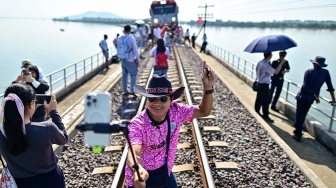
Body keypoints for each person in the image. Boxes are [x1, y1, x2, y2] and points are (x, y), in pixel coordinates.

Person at [125, 62, 215, 188]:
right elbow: (134, 153)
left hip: (164, 172)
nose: (157, 103)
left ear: (171, 99)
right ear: (146, 101)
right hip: (140, 178)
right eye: (152, 98)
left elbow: (204, 111)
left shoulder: (176, 111)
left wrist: (208, 88)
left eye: (162, 98)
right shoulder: (137, 124)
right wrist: (138, 170)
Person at [0, 83, 68, 187]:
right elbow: (63, 139)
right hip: (50, 181)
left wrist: (28, 111)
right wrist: (53, 112)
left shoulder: (1, 133)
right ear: (31, 104)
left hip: (20, 183)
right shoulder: (47, 128)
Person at [293, 56, 335, 142]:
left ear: (314, 63)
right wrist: (333, 99)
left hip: (302, 96)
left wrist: (315, 95)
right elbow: (330, 87)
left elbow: (305, 86)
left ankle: (298, 134)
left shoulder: (308, 71)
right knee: (303, 115)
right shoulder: (326, 73)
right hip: (310, 99)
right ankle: (297, 130)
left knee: (299, 115)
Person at [254, 52, 285, 123]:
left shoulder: (260, 62)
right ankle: (266, 115)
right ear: (269, 56)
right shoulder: (265, 65)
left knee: (259, 97)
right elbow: (276, 72)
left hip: (259, 82)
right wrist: (281, 63)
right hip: (264, 84)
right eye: (271, 55)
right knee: (265, 100)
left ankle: (257, 110)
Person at [121, 25, 140, 95]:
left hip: (123, 59)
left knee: (124, 75)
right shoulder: (131, 38)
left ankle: (125, 90)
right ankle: (132, 90)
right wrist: (138, 60)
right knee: (133, 74)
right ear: (129, 30)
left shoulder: (120, 38)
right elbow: (135, 50)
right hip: (130, 59)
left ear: (124, 30)